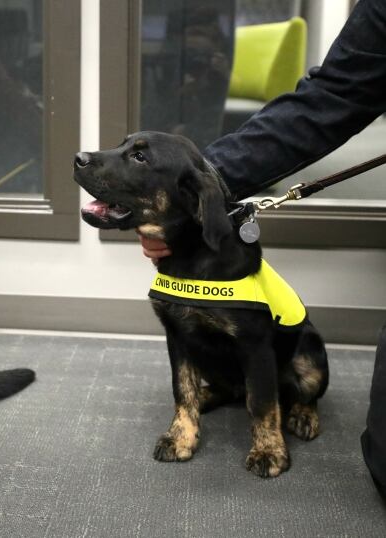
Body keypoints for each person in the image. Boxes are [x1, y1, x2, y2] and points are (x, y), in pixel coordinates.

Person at [138, 0, 386, 501]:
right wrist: (200, 186)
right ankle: (215, 399)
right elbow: (333, 94)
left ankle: (277, 418)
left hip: (283, 350)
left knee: (297, 372)